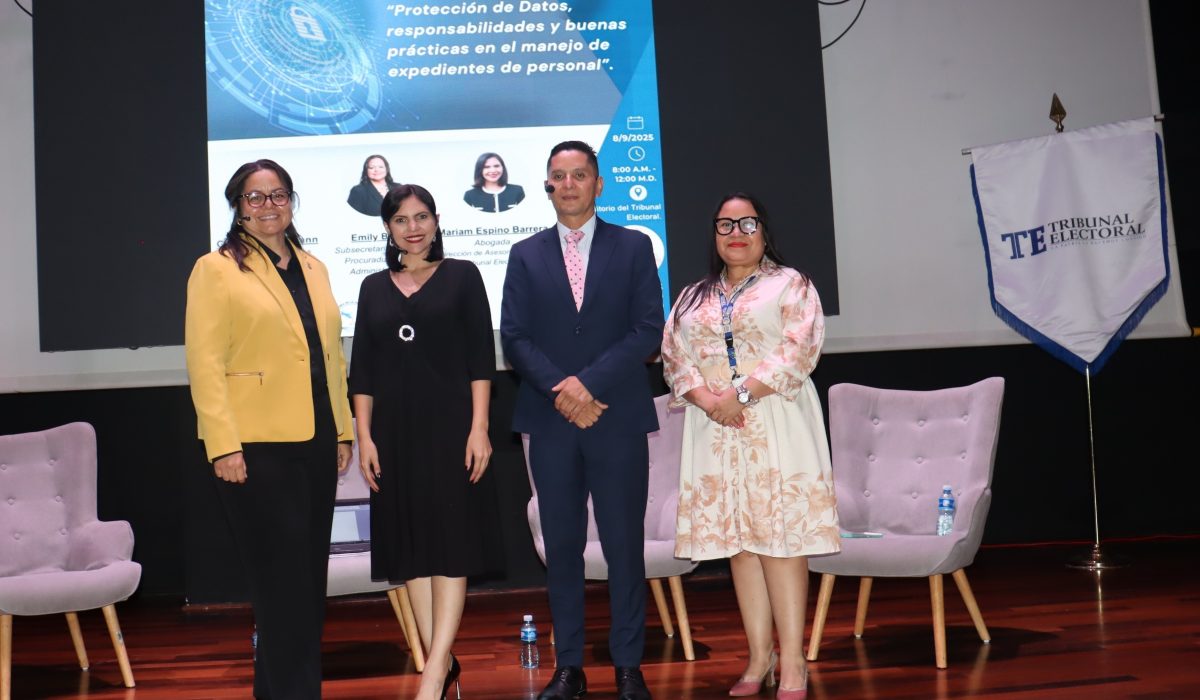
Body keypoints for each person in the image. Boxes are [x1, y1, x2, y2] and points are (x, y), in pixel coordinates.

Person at [500, 140, 664, 700]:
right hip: (550, 421)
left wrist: (587, 384)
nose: (567, 185)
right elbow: (514, 336)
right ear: (548, 186)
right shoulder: (525, 254)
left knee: (624, 546)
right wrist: (562, 390)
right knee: (563, 547)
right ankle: (568, 666)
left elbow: (647, 329)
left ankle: (628, 666)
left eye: (578, 175)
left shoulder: (634, 246)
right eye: (558, 176)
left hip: (615, 415)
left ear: (598, 183)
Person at [185, 158, 355, 699]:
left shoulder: (314, 266)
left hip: (316, 440)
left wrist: (343, 430)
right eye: (255, 197)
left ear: (291, 202)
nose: (268, 206)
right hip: (255, 449)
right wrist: (223, 446)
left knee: (307, 583)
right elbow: (204, 364)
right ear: (237, 206)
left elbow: (330, 358)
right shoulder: (215, 269)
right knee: (280, 586)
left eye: (278, 195)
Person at [661, 192, 840, 700]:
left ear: (764, 231)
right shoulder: (692, 297)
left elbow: (798, 350)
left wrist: (738, 395)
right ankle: (760, 658)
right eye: (725, 225)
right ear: (714, 235)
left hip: (776, 419)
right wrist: (708, 400)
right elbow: (674, 356)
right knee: (739, 544)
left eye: (746, 223)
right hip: (714, 429)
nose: (735, 233)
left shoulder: (792, 284)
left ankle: (794, 663)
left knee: (780, 542)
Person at [349, 184, 494, 700]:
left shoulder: (463, 276)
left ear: (436, 221)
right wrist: (364, 436)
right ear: (387, 229)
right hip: (392, 434)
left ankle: (432, 673)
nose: (413, 228)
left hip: (452, 429)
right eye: (401, 220)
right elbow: (362, 370)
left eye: (421, 217)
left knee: (450, 545)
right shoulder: (372, 287)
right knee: (409, 547)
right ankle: (441, 659)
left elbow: (480, 360)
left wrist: (479, 428)